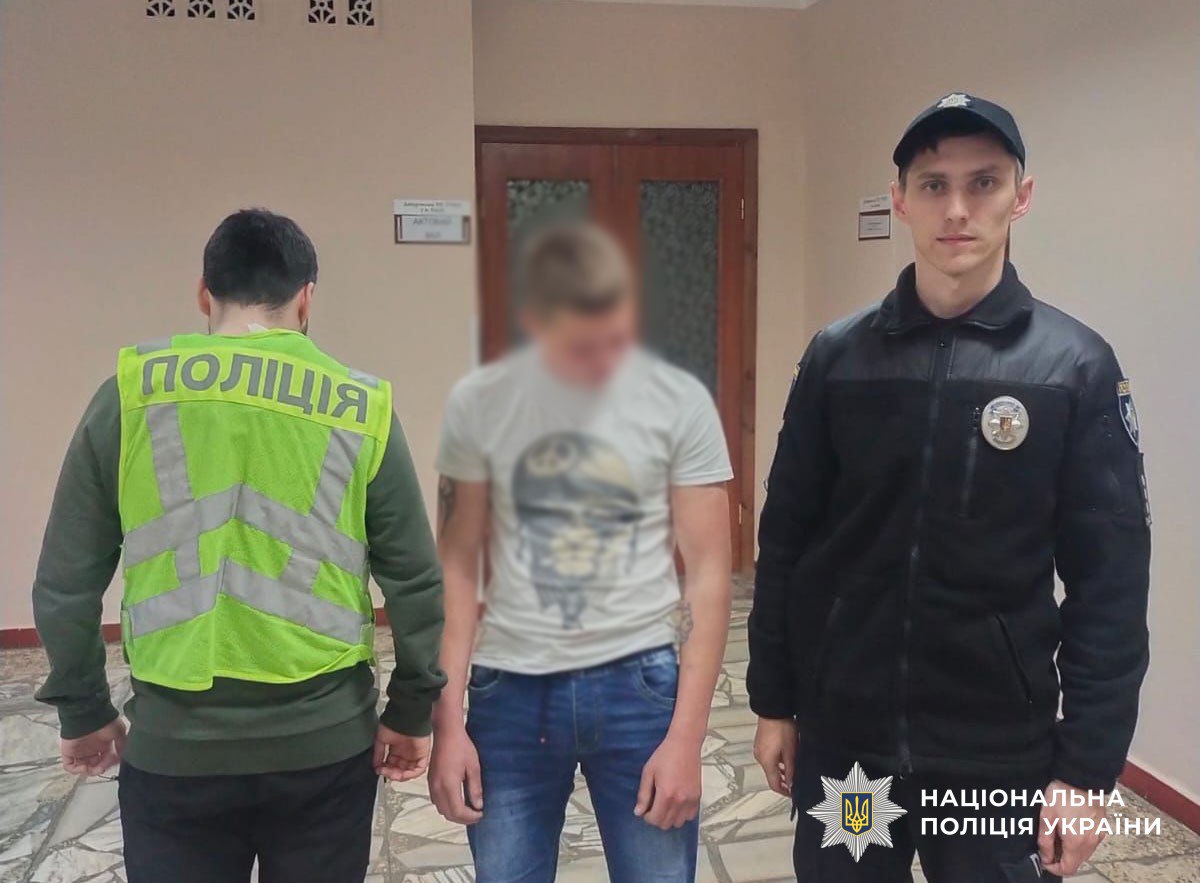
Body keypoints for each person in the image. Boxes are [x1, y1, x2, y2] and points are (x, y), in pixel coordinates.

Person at [748, 93, 1151, 882]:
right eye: (934, 184)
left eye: (984, 183)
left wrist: (1086, 769)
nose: (957, 209)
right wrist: (774, 699)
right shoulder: (838, 359)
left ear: (1021, 197)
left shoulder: (1074, 368)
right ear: (901, 200)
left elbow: (1110, 582)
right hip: (849, 749)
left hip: (995, 753)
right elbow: (787, 537)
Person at [31, 208, 447, 883]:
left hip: (175, 748)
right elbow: (416, 579)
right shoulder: (360, 405)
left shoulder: (131, 395)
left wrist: (83, 710)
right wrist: (410, 708)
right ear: (306, 298)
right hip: (324, 744)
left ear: (204, 293)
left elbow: (66, 580)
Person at [427, 220, 733, 883]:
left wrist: (686, 737)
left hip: (640, 684)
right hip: (511, 690)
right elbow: (456, 569)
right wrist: (447, 724)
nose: (601, 364)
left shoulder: (679, 403)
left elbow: (709, 575)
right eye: (579, 346)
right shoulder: (479, 405)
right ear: (534, 322)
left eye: (614, 340)